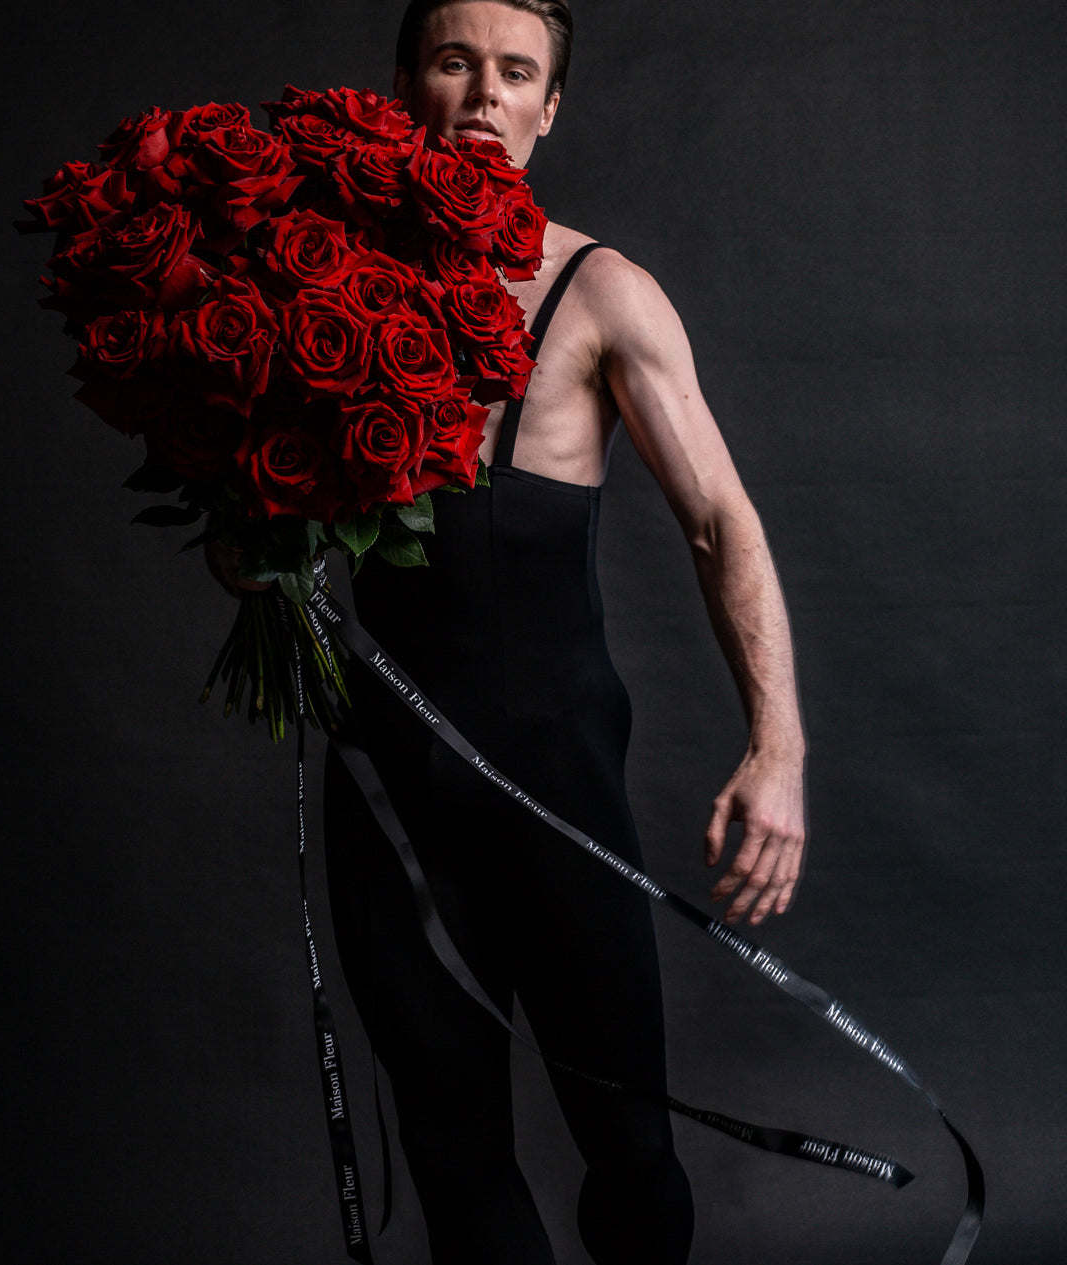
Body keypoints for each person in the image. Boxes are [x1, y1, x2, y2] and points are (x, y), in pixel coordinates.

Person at [209, 2, 807, 1260]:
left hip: (558, 791)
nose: (482, 94)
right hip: (388, 796)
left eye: (514, 72)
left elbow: (719, 524)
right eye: (452, 62)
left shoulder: (600, 293)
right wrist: (251, 539)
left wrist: (777, 751)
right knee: (449, 1143)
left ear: (549, 109)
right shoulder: (313, 286)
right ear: (402, 85)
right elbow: (254, 553)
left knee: (628, 1143)